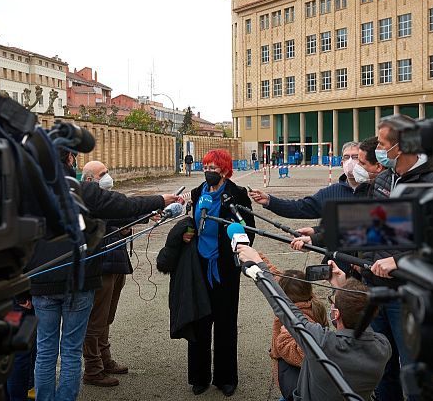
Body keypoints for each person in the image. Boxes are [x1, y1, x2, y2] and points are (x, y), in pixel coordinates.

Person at [27, 150, 180, 401]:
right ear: (69, 160)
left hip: (43, 282)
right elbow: (123, 204)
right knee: (70, 351)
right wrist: (160, 199)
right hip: (77, 281)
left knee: (46, 350)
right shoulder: (83, 191)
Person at [158, 149, 255, 397]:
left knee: (225, 323)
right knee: (200, 320)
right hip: (199, 266)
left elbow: (248, 231)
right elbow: (194, 221)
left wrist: (236, 238)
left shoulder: (237, 194)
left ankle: (226, 378)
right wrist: (188, 231)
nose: (209, 171)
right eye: (207, 166)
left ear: (225, 169)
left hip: (224, 268)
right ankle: (199, 377)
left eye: (214, 167)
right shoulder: (198, 191)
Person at [236, 246, 391, 401]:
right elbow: (361, 319)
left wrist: (257, 264)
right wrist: (342, 288)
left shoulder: (322, 343)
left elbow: (283, 306)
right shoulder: (383, 347)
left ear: (336, 314)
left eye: (333, 302)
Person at [370, 114, 433, 401]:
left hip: (410, 297)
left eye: (381, 143)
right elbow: (370, 227)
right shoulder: (385, 178)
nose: (377, 149)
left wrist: (400, 261)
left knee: (414, 372)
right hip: (377, 290)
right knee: (382, 369)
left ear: (399, 148)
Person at [80, 161, 138, 387]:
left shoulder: (110, 199)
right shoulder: (85, 201)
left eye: (107, 172)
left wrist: (126, 227)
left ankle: (105, 360)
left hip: (116, 264)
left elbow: (123, 217)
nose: (108, 177)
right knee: (95, 320)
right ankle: (93, 369)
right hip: (99, 267)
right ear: (88, 180)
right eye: (102, 174)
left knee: (107, 318)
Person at [288, 137, 385, 252]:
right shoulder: (333, 190)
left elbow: (366, 228)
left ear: (378, 166)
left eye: (359, 161)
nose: (354, 164)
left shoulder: (380, 190)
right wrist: (317, 231)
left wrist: (315, 239)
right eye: (346, 157)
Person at [258, 255, 328, 401]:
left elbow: (302, 356)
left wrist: (283, 337)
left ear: (284, 298)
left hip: (296, 379)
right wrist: (256, 258)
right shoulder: (305, 298)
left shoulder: (302, 321)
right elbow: (273, 276)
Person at [249, 142, 361, 219]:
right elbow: (300, 207)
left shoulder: (375, 189)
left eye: (355, 157)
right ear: (342, 163)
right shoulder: (331, 193)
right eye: (347, 157)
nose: (350, 161)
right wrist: (270, 201)